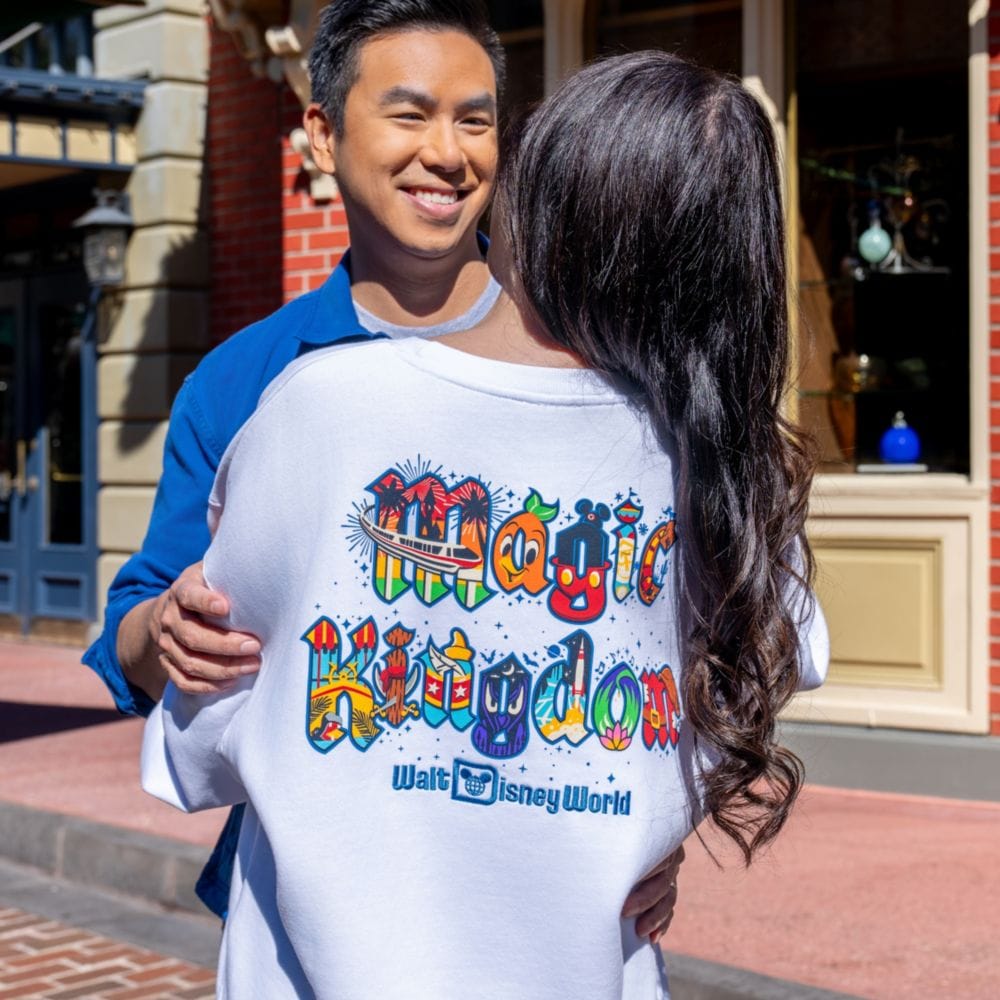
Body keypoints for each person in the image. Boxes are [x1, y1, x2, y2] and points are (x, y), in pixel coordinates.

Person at [141, 49, 828, 999]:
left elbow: (206, 736)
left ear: (531, 193)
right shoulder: (723, 465)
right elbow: (768, 672)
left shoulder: (321, 409)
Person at [85, 0, 681, 934]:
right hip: (321, 902)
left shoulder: (586, 355)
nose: (448, 153)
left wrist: (658, 817)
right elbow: (135, 621)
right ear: (321, 133)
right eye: (409, 114)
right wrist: (163, 633)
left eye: (475, 120)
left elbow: (661, 630)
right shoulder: (246, 383)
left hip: (544, 896)